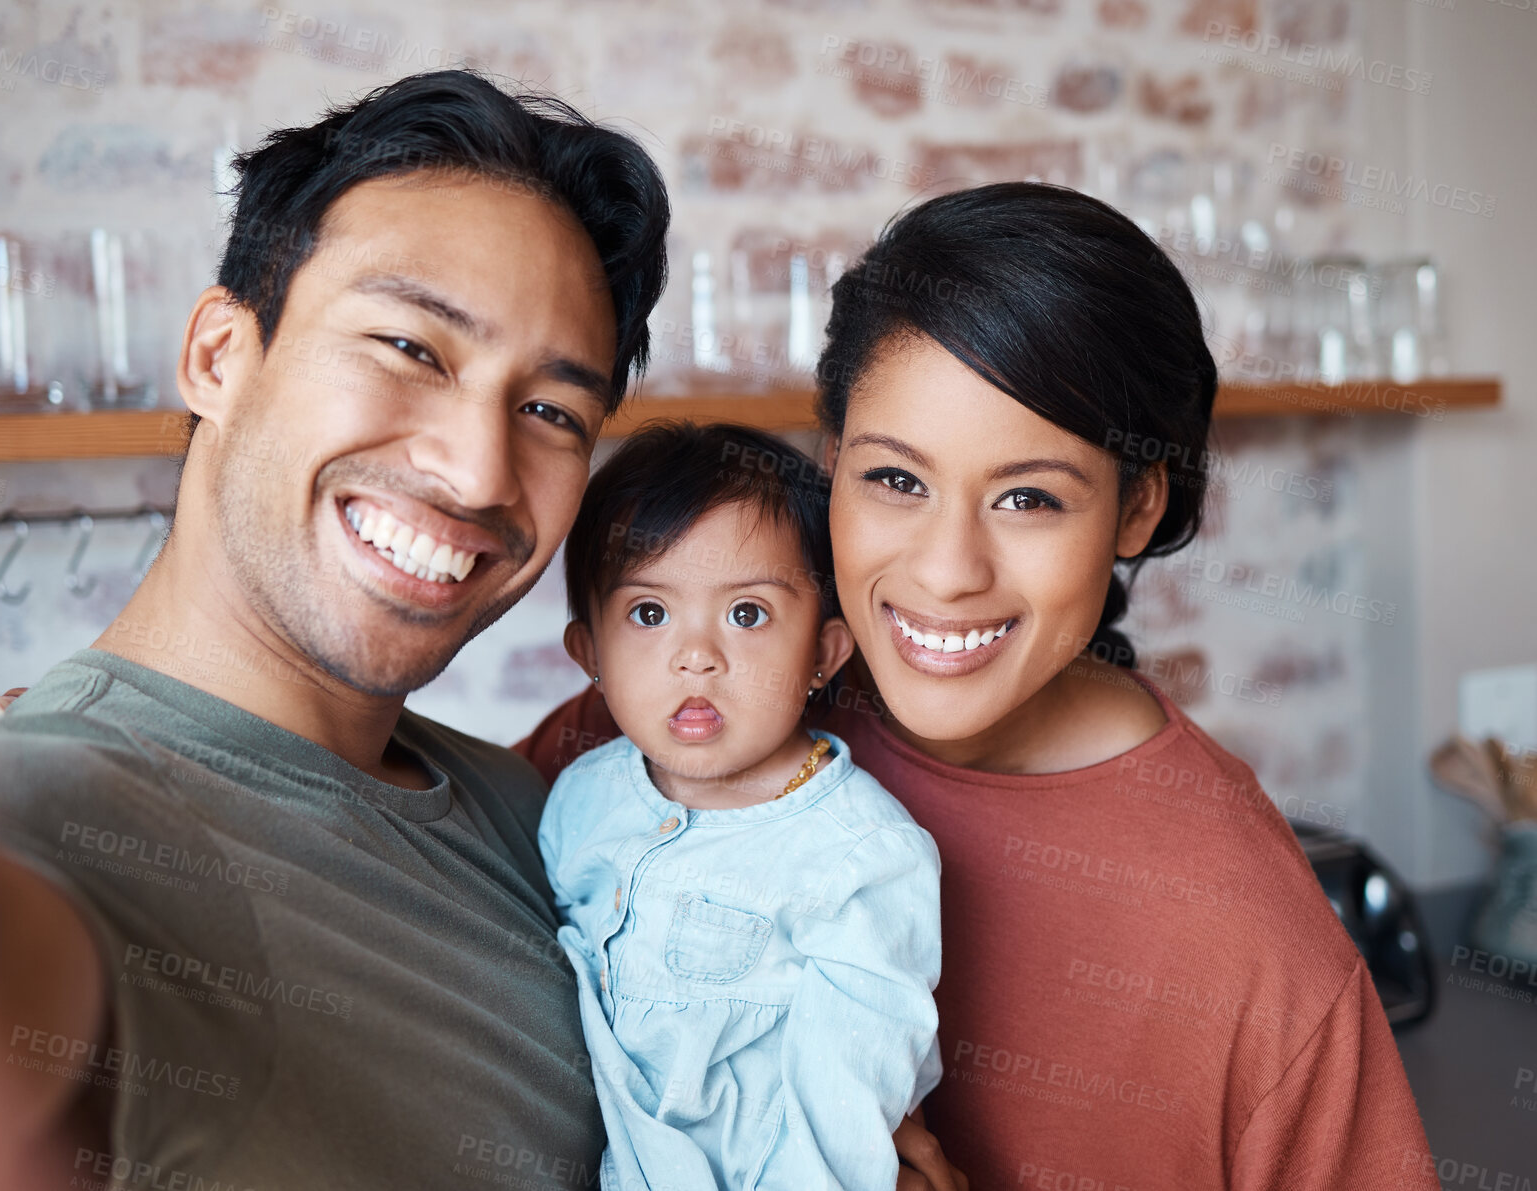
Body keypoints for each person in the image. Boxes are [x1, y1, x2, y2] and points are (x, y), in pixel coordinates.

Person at [0, 69, 961, 1191]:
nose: (479, 469)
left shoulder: (547, 808)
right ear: (217, 357)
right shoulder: (24, 815)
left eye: (548, 412)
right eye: (411, 349)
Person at [519, 183, 1442, 1190]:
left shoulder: (1255, 955)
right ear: (833, 465)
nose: (946, 569)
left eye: (1027, 497)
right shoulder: (695, 720)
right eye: (896, 481)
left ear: (1134, 509)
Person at [540, 422, 942, 1189]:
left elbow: (842, 1113)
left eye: (747, 614)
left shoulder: (863, 858)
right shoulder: (578, 801)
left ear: (823, 654)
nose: (697, 654)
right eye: (649, 613)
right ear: (588, 653)